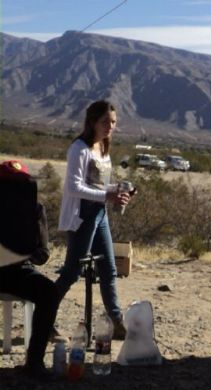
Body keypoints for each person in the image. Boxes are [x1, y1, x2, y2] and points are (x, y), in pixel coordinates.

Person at [55, 100, 131, 340]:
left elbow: (97, 183)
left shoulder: (103, 148)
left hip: (100, 214)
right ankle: (45, 318)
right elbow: (74, 186)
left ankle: (117, 321)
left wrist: (117, 190)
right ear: (92, 122)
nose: (110, 126)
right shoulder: (79, 148)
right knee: (72, 272)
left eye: (113, 122)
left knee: (108, 269)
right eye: (105, 122)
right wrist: (107, 195)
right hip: (82, 217)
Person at [0, 160, 60, 380]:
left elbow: (42, 254)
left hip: (18, 272)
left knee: (49, 292)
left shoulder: (35, 210)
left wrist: (23, 252)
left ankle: (34, 362)